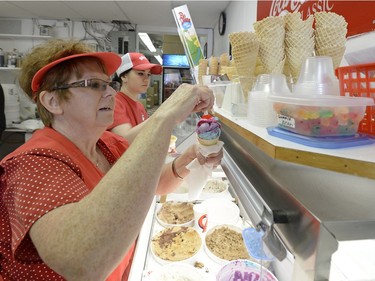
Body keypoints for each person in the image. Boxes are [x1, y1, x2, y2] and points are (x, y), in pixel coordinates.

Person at [0, 39, 222, 281]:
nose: (110, 92)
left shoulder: (107, 144)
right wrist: (165, 117)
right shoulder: (33, 165)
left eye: (108, 83)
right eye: (94, 84)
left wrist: (191, 158)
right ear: (52, 101)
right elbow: (83, 260)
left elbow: (154, 183)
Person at [108, 52, 162, 142]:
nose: (146, 79)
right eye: (140, 73)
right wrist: (161, 115)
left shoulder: (140, 106)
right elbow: (124, 141)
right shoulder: (114, 103)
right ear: (124, 76)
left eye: (148, 74)